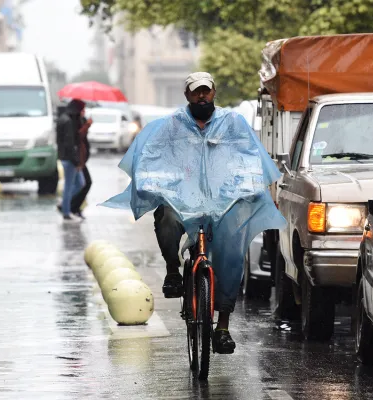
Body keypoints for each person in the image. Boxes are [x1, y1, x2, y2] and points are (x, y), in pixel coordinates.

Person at [101, 72, 285, 354]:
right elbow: (152, 160)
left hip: (222, 203)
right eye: (196, 92)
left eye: (206, 91)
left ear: (214, 92)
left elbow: (249, 161)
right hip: (182, 201)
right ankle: (173, 271)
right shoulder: (170, 126)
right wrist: (159, 185)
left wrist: (243, 188)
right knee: (166, 217)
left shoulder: (233, 124)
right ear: (187, 95)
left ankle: (222, 326)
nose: (202, 96)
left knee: (232, 253)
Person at [56, 99, 86, 223]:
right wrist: (76, 161)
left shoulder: (65, 118)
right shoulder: (68, 121)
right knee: (70, 186)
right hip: (69, 159)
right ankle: (66, 213)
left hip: (67, 158)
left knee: (80, 183)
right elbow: (70, 144)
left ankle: (64, 203)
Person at [70, 110, 93, 219]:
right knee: (84, 183)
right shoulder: (73, 120)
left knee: (83, 184)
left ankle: (74, 207)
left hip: (81, 159)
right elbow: (78, 135)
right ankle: (71, 206)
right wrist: (87, 125)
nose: (83, 111)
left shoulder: (80, 119)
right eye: (81, 109)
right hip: (78, 159)